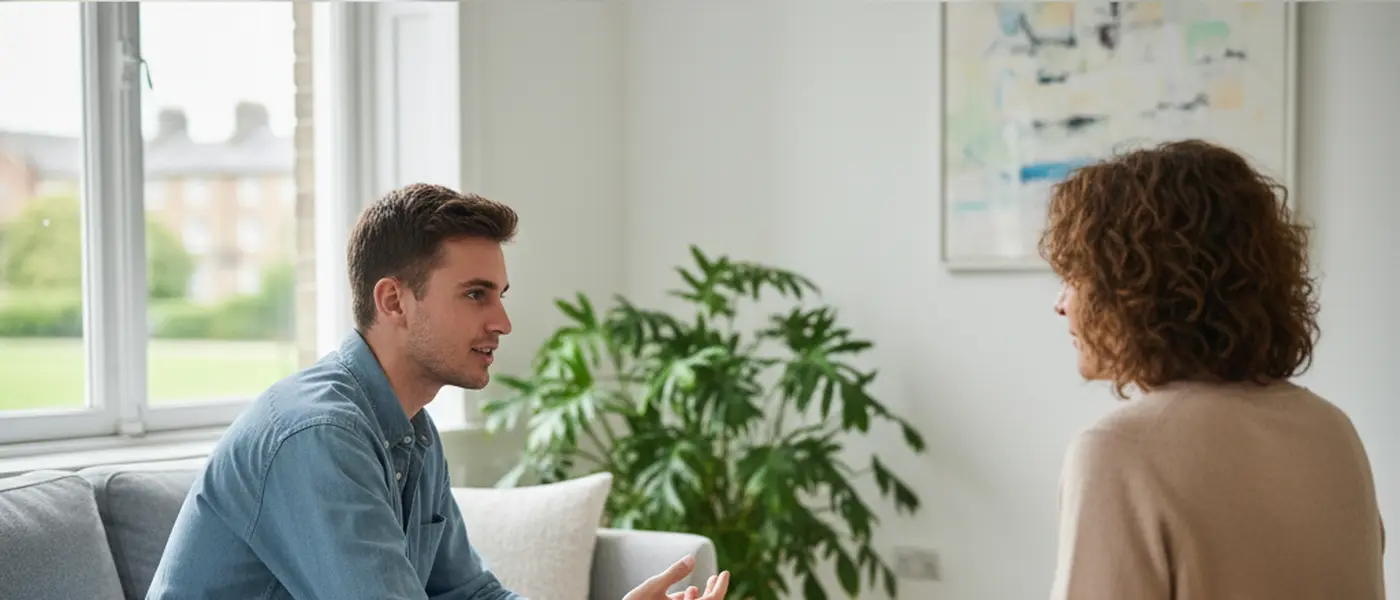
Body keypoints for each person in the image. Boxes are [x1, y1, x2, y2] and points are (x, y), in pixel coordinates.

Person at [147, 183, 731, 600]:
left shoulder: (412, 432)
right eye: (476, 294)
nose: (502, 321)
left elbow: (468, 591)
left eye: (501, 294)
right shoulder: (320, 435)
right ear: (394, 301)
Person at [1039, 139, 1385, 600]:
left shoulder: (1117, 451)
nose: (1061, 304)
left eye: (1075, 278)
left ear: (1136, 287)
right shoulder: (1333, 430)